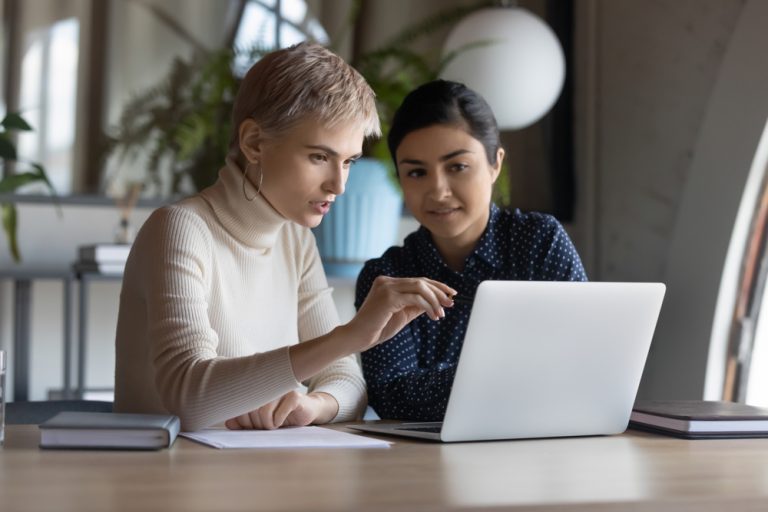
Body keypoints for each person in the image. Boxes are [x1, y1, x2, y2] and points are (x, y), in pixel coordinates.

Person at [114, 43, 457, 432]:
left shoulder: (295, 239)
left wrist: (313, 405)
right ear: (254, 143)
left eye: (347, 161)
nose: (338, 185)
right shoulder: (179, 229)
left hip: (255, 477)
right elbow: (190, 401)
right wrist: (350, 336)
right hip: (157, 481)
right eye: (319, 157)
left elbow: (347, 384)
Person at [355, 80, 588, 421]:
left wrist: (466, 383)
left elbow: (582, 363)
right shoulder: (387, 277)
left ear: (496, 164)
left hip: (543, 449)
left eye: (457, 167)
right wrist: (518, 374)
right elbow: (391, 396)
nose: (438, 190)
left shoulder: (540, 242)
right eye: (417, 172)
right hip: (422, 462)